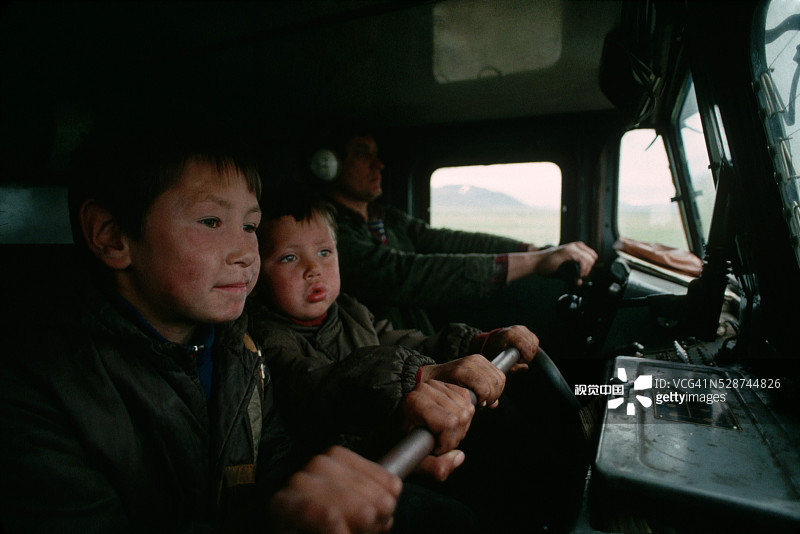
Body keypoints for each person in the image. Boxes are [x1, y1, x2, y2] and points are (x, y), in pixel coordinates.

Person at [0, 124, 476, 534]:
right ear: (112, 235)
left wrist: (374, 460)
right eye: (211, 221)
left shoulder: (236, 348)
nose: (246, 254)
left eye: (249, 226)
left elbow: (272, 469)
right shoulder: (37, 393)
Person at [247, 190, 590, 533]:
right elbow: (317, 381)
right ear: (258, 274)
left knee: (504, 430)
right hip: (355, 463)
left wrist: (475, 342)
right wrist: (415, 375)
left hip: (404, 436)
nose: (313, 269)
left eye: (324, 252)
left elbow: (401, 340)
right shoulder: (266, 337)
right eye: (289, 258)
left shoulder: (348, 310)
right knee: (452, 519)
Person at [308, 124, 599, 334]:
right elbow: (405, 273)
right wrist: (534, 263)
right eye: (362, 154)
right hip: (381, 356)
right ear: (328, 165)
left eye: (376, 153)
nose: (379, 164)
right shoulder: (326, 230)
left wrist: (534, 250)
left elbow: (446, 241)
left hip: (418, 343)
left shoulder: (386, 218)